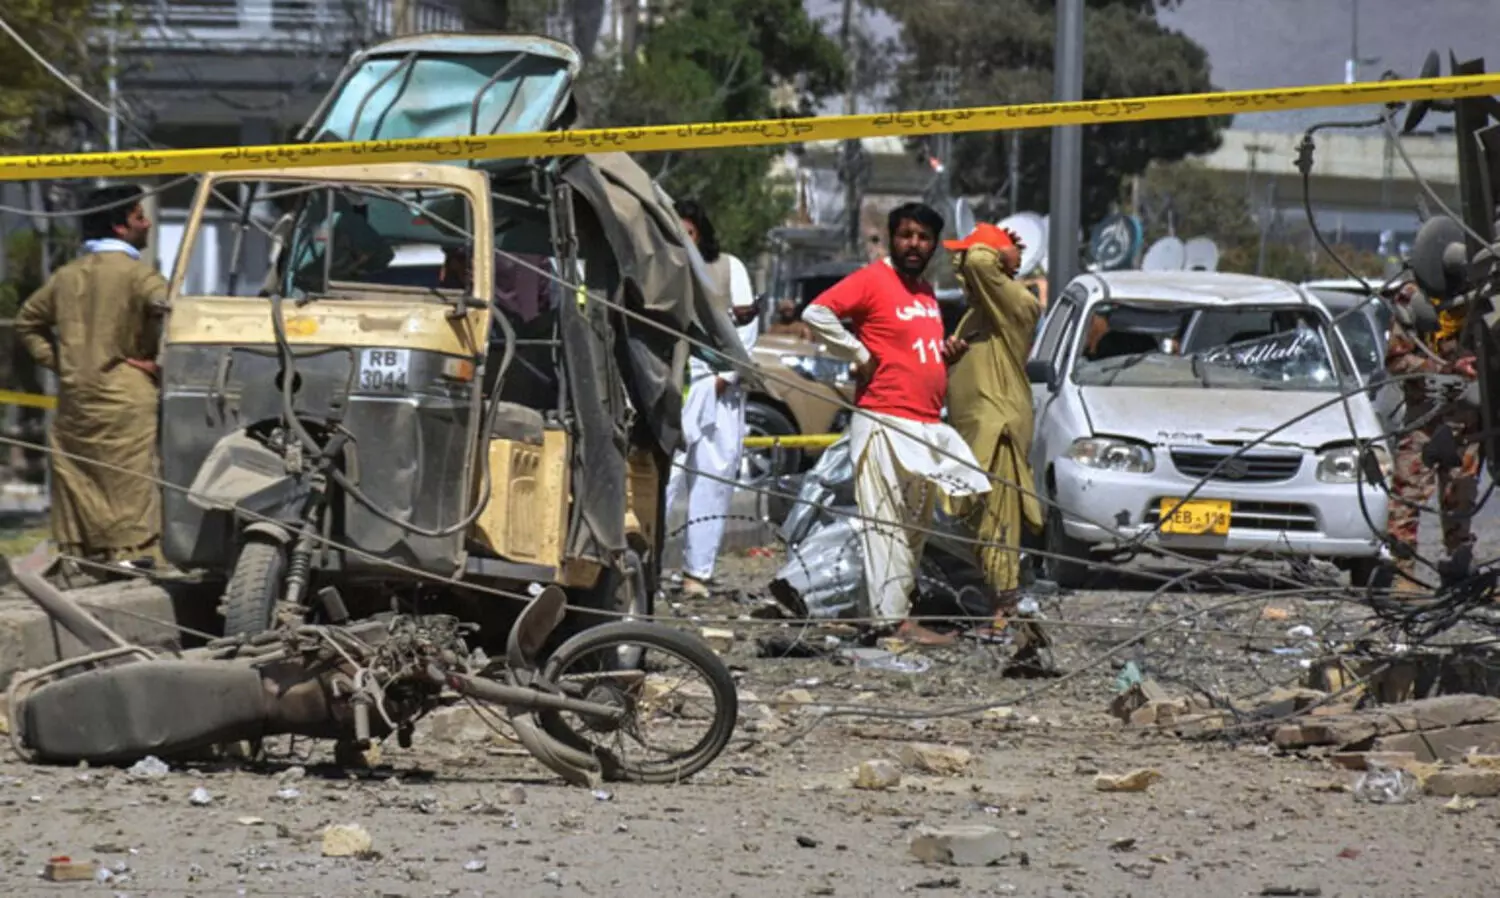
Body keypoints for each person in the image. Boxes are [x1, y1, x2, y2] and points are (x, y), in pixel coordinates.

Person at [801, 202, 991, 645]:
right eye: (906, 235)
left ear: (933, 245)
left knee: (913, 526)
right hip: (883, 420)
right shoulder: (873, 279)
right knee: (885, 524)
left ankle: (884, 613)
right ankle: (892, 623)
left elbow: (913, 349)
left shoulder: (925, 292)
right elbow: (817, 313)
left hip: (923, 424)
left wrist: (944, 356)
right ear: (892, 237)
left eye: (923, 238)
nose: (914, 244)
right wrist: (858, 353)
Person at [16, 185, 169, 572]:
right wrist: (156, 364)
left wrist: (64, 363)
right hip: (127, 397)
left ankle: (84, 558)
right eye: (139, 216)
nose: (147, 224)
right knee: (131, 479)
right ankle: (133, 556)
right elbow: (173, 313)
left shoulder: (66, 276)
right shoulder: (140, 275)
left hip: (75, 398)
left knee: (79, 477)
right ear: (120, 227)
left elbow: (27, 322)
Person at [943, 223, 1044, 628]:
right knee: (977, 521)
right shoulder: (975, 317)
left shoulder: (1019, 304)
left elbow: (977, 263)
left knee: (998, 519)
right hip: (973, 433)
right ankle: (988, 600)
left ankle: (1004, 608)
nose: (960, 264)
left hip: (997, 429)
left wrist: (1003, 251)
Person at [666, 200, 759, 598]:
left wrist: (728, 375)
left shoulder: (727, 268)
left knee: (712, 481)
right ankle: (645, 564)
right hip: (673, 385)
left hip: (717, 389)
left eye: (688, 232)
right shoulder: (660, 269)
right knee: (664, 478)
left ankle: (697, 573)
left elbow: (746, 326)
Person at [1384, 280, 1482, 594]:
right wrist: (1443, 368)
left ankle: (1459, 573)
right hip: (1423, 419)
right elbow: (1396, 361)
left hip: (1465, 420)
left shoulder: (1483, 294)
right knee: (1407, 496)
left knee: (1460, 497)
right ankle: (1403, 574)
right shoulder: (1415, 299)